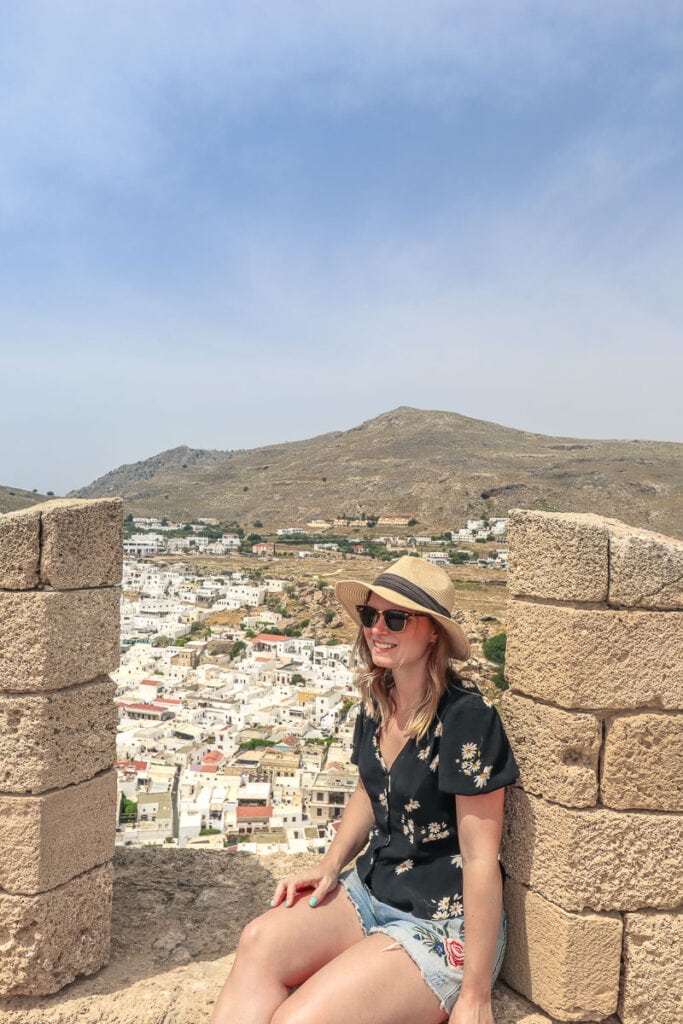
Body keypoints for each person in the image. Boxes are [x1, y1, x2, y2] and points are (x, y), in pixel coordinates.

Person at [210, 556, 519, 1024]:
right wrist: (330, 865)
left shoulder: (466, 720)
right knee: (258, 941)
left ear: (433, 631)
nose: (378, 627)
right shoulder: (378, 698)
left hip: (439, 921)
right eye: (372, 615)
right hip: (371, 889)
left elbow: (480, 858)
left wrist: (475, 997)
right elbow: (368, 790)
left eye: (396, 618)